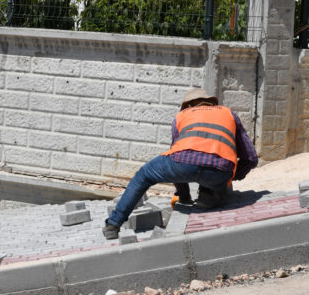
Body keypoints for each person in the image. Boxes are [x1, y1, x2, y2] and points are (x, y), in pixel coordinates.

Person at [103, 88, 258, 240]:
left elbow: (176, 155)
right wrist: (231, 177)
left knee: (144, 175)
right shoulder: (228, 113)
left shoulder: (181, 116)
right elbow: (250, 158)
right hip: (220, 171)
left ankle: (113, 224)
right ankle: (208, 195)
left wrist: (184, 197)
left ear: (189, 106)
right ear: (211, 103)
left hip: (183, 163)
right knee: (211, 167)